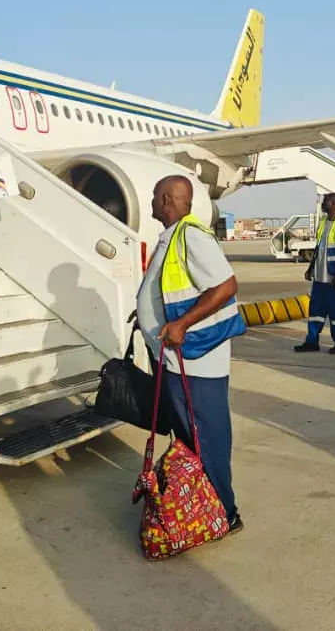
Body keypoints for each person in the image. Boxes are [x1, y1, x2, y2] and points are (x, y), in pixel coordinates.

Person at [136, 175, 245, 534]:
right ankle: (201, 507)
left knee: (206, 439)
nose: (151, 201)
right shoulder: (172, 238)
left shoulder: (191, 236)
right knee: (189, 440)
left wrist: (181, 323)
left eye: (154, 195)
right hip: (177, 360)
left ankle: (224, 513)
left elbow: (226, 285)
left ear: (167, 198)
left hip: (197, 362)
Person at [294, 193, 335, 354]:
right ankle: (312, 341)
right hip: (320, 279)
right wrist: (310, 268)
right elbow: (318, 248)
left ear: (333, 204)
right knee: (315, 313)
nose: (323, 204)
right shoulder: (323, 223)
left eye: (325, 201)